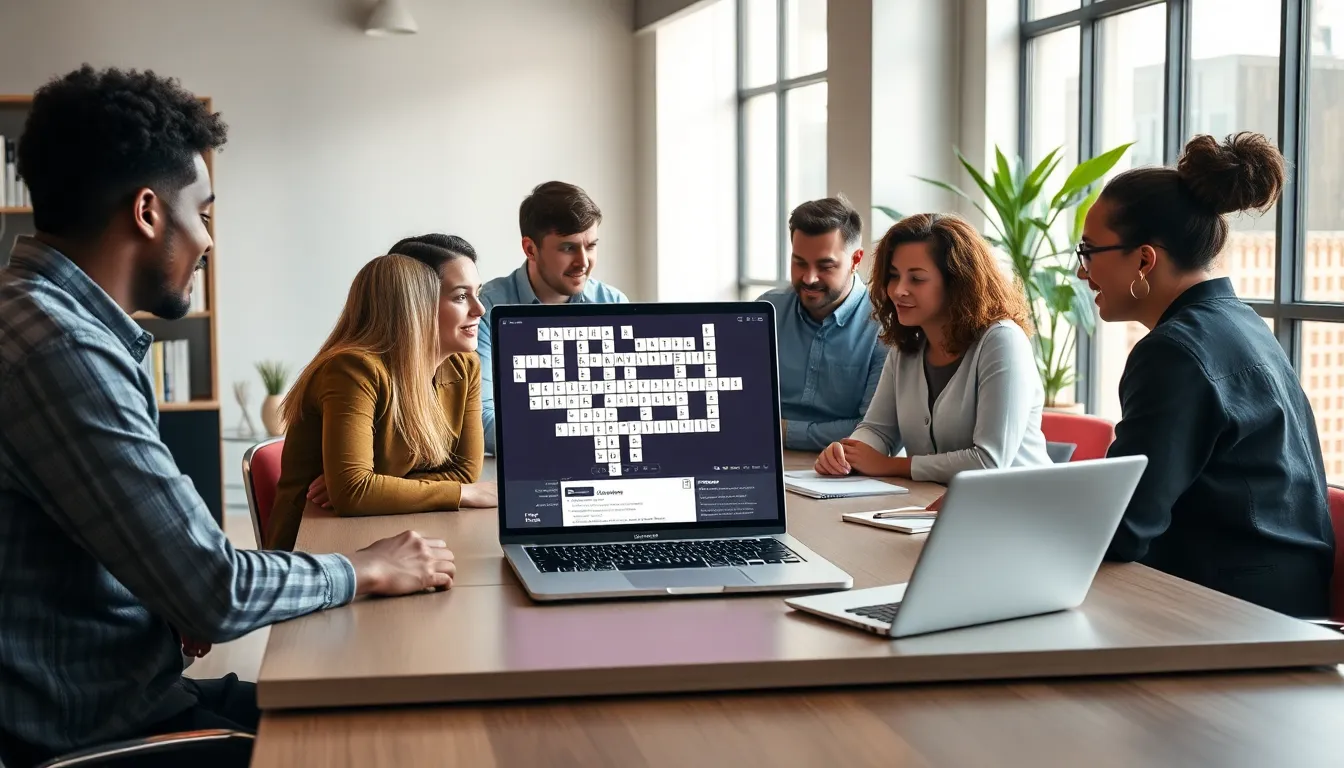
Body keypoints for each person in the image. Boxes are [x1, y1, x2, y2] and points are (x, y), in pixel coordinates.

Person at [0, 65, 457, 768]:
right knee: (382, 746)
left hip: (124, 688)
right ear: (149, 213)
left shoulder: (37, 319)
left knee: (385, 705)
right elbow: (217, 591)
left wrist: (168, 601)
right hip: (93, 732)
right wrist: (364, 568)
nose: (210, 242)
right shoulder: (62, 349)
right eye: (203, 214)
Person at [1077, 132, 1334, 617]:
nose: (1081, 272)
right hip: (1281, 597)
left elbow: (1126, 526)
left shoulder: (1173, 352)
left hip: (1231, 611)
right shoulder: (1241, 323)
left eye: (1088, 251)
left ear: (1144, 259)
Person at [268, 240, 496, 551]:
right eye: (460, 297)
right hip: (313, 549)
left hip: (384, 527)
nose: (480, 309)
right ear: (416, 304)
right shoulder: (353, 369)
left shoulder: (464, 365)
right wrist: (460, 494)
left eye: (477, 293)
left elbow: (465, 472)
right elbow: (353, 493)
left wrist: (378, 484)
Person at [815, 213, 1052, 481]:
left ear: (957, 282)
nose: (898, 290)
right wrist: (846, 455)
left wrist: (890, 466)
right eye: (894, 276)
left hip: (1019, 513)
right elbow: (878, 430)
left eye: (916, 279)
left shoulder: (1002, 341)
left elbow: (989, 461)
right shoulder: (907, 346)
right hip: (931, 508)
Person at [476, 181, 629, 454]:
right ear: (530, 249)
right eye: (568, 248)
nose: (583, 262)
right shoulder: (486, 308)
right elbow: (480, 418)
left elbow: (627, 407)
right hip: (528, 463)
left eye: (591, 246)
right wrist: (569, 438)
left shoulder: (613, 303)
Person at [757, 195, 886, 451]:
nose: (809, 277)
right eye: (799, 262)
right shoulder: (766, 311)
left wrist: (782, 431)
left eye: (825, 266)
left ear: (856, 260)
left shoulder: (884, 325)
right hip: (764, 456)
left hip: (850, 471)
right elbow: (743, 405)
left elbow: (873, 429)